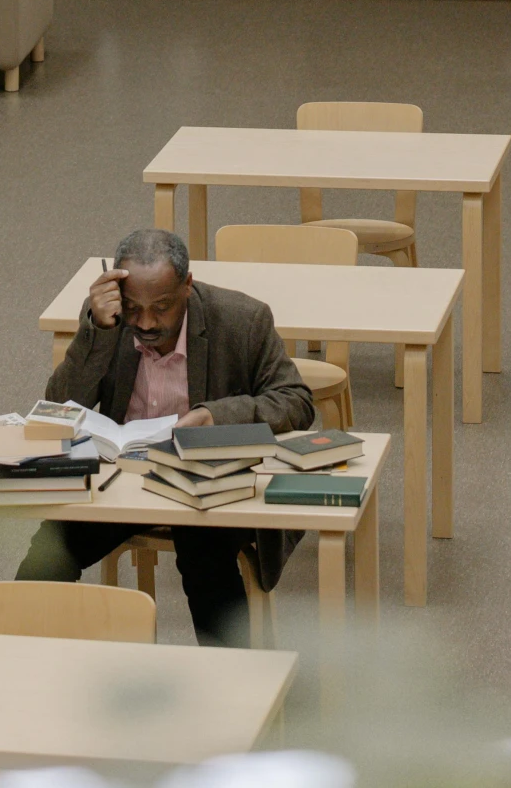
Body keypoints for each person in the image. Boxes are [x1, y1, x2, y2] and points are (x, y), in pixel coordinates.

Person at [16, 227, 312, 645]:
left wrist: (216, 415)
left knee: (205, 559)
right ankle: (18, 665)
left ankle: (236, 686)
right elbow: (62, 404)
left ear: (187, 286)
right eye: (134, 308)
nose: (147, 322)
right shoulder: (109, 315)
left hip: (203, 482)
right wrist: (99, 330)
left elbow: (296, 401)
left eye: (162, 307)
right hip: (124, 479)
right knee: (49, 553)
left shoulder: (243, 319)